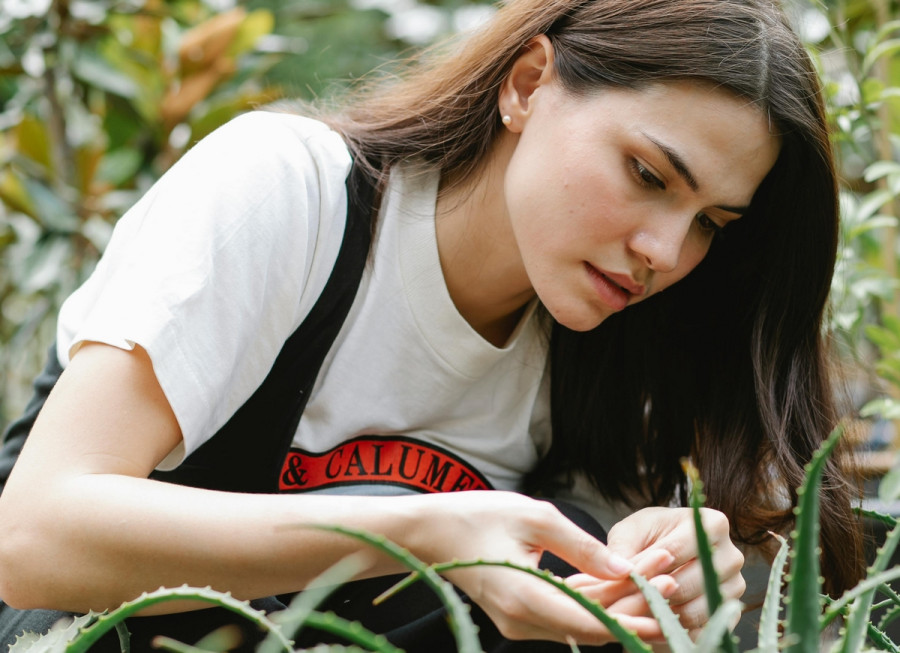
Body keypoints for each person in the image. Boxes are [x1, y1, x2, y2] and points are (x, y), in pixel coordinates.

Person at [0, 0, 864, 650]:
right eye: (646, 174)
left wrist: (651, 564)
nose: (665, 251)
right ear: (528, 85)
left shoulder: (611, 342)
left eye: (712, 222)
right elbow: (32, 538)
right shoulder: (289, 191)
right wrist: (427, 533)